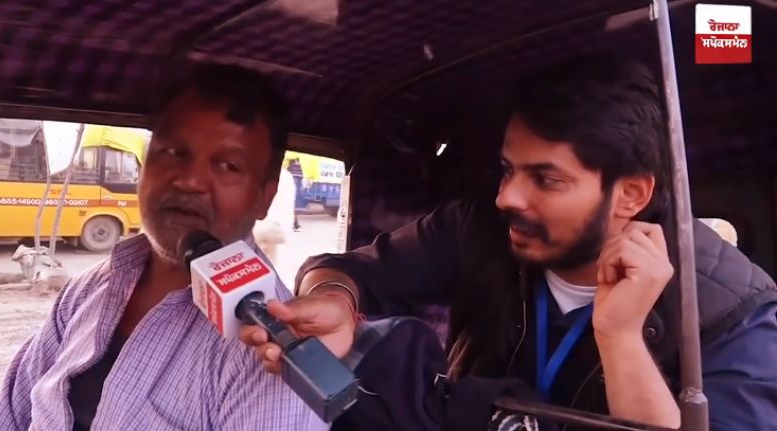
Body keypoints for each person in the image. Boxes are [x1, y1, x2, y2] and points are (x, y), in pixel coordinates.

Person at [241, 56, 777, 430]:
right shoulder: (479, 228)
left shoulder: (734, 314)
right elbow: (341, 269)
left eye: (546, 179)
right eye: (507, 169)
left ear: (631, 194)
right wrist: (335, 298)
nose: (507, 197)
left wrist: (620, 338)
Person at [0, 64, 326, 431]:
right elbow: (8, 418)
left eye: (227, 165)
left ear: (263, 198)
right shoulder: (89, 288)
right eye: (174, 151)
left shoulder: (272, 351)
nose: (190, 180)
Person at [287, 157, 304, 231]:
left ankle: (295, 224)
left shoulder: (290, 162)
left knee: (291, 203)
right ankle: (295, 224)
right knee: (292, 203)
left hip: (293, 180)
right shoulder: (300, 162)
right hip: (295, 179)